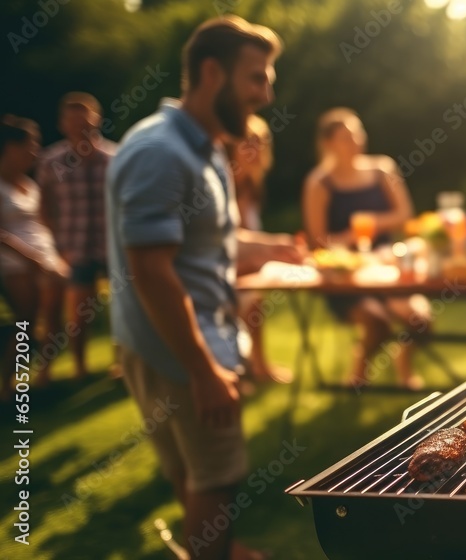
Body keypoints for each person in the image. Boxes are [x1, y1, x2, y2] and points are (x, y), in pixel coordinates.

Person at [105, 16, 302, 560]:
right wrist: (204, 370)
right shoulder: (160, 152)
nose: (266, 95)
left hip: (178, 345)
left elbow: (209, 240)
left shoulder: (207, 146)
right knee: (217, 478)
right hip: (178, 352)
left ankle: (212, 543)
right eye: (257, 79)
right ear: (212, 73)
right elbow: (152, 271)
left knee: (194, 473)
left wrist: (271, 246)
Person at [301, 108, 429, 391]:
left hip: (386, 268)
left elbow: (405, 215)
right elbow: (318, 242)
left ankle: (403, 364)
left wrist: (371, 224)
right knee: (377, 321)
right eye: (346, 136)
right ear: (327, 143)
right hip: (346, 278)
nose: (356, 141)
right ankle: (358, 375)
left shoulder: (384, 169)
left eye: (358, 133)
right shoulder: (319, 183)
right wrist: (349, 237)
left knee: (421, 320)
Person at [35, 92, 117, 380]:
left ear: (97, 121)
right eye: (73, 122)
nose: (80, 128)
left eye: (85, 122)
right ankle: (79, 366)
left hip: (113, 247)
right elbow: (43, 207)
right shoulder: (51, 161)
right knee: (78, 314)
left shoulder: (115, 158)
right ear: (63, 124)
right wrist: (56, 243)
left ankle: (121, 363)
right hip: (73, 248)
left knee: (122, 308)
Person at [0, 115, 70, 397]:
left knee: (54, 316)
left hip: (45, 260)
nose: (35, 152)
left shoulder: (30, 185)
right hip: (15, 262)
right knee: (26, 322)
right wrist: (34, 261)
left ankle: (43, 377)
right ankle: (6, 384)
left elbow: (44, 224)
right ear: (10, 148)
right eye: (30, 146)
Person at [228, 113, 291, 384]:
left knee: (256, 301)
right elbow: (227, 238)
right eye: (248, 142)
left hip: (243, 272)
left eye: (260, 142)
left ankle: (259, 365)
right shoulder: (225, 183)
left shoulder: (252, 186)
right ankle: (243, 370)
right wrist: (274, 245)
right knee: (250, 303)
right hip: (223, 275)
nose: (254, 149)